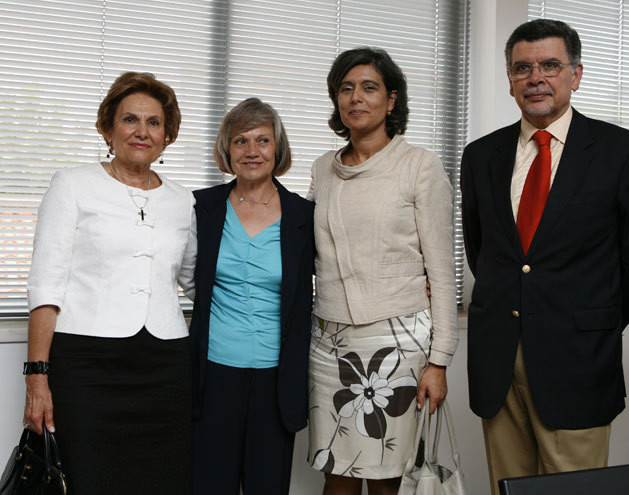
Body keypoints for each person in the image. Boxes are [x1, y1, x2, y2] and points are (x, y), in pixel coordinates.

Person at [461, 19, 629, 495]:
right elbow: (484, 251)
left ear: (575, 74)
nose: (535, 77)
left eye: (550, 65)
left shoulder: (618, 151)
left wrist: (593, 322)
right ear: (510, 80)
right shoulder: (480, 156)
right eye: (522, 68)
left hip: (578, 361)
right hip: (499, 362)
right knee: (507, 487)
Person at [22, 71, 197, 494]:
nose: (142, 131)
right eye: (130, 120)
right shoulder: (73, 185)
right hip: (86, 367)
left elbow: (196, 280)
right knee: (87, 480)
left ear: (167, 135)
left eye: (154, 122)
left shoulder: (184, 200)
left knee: (163, 480)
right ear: (108, 127)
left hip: (166, 366)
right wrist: (36, 377)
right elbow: (46, 285)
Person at [307, 47, 459, 495]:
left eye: (369, 88)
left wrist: (440, 361)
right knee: (334, 471)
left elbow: (443, 272)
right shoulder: (322, 169)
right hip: (328, 344)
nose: (356, 97)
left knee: (389, 478)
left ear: (391, 100)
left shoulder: (419, 166)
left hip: (399, 347)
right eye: (346, 88)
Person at [189, 97, 315, 495]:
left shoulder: (303, 216)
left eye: (262, 140)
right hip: (213, 374)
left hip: (277, 379)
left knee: (267, 487)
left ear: (277, 148)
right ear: (227, 149)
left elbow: (339, 273)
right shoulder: (203, 207)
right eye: (240, 141)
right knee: (209, 486)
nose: (251, 151)